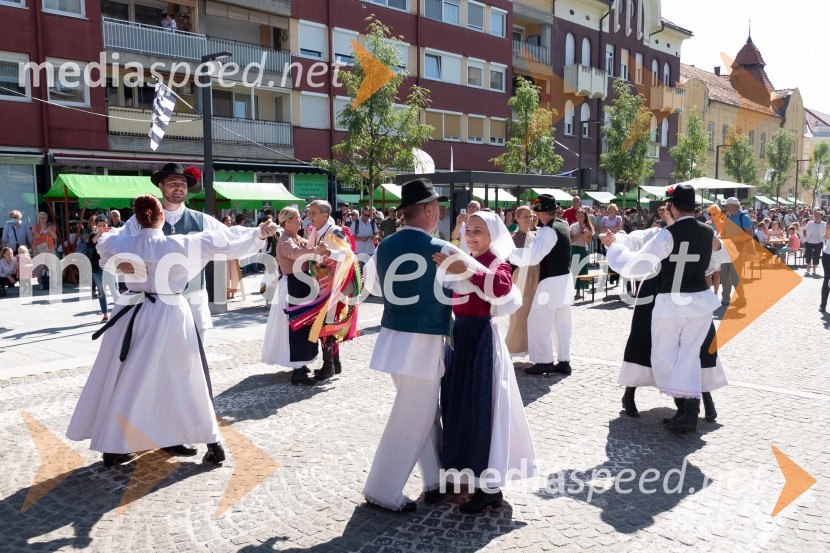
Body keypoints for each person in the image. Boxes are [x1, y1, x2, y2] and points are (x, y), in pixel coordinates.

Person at [66, 195, 277, 467]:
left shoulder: (120, 241)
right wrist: (259, 232)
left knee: (126, 375)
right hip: (169, 310)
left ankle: (115, 445)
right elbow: (226, 242)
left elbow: (103, 244)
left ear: (137, 219)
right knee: (183, 376)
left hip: (132, 309)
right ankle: (211, 442)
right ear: (161, 217)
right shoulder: (183, 243)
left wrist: (112, 249)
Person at [362, 177, 467, 513]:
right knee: (412, 418)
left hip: (393, 339)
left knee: (422, 413)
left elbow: (373, 288)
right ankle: (383, 489)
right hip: (423, 343)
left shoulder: (383, 246)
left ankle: (436, 479)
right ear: (427, 210)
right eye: (437, 207)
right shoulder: (442, 250)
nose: (440, 212)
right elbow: (470, 284)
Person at [434, 211, 536, 514]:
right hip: (461, 338)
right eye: (468, 230)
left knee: (482, 409)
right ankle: (464, 474)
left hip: (480, 340)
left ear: (492, 234)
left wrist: (464, 269)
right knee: (458, 405)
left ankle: (489, 487)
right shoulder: (463, 256)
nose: (471, 236)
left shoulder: (497, 261)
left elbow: (501, 287)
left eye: (478, 231)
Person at [600, 184, 722, 434]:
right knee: (689, 355)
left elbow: (636, 266)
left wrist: (613, 246)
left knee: (663, 356)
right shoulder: (707, 232)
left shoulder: (667, 235)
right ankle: (690, 410)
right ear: (694, 208)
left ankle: (686, 407)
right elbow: (711, 264)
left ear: (673, 208)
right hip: (700, 302)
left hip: (671, 304)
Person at [121, 163, 237, 341]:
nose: (179, 188)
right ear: (161, 186)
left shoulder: (202, 220)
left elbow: (231, 238)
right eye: (173, 183)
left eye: (183, 184)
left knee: (194, 356)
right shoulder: (140, 221)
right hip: (158, 303)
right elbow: (121, 247)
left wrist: (259, 234)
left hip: (193, 298)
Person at [509, 194, 574, 376]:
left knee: (538, 320)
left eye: (538, 213)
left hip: (550, 281)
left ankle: (543, 360)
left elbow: (534, 257)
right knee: (562, 323)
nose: (536, 217)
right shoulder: (562, 225)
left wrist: (510, 254)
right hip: (564, 279)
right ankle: (564, 360)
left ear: (544, 213)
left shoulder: (547, 231)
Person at [262, 207, 327, 385]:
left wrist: (319, 247)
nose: (301, 220)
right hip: (293, 285)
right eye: (298, 218)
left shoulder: (296, 238)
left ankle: (302, 363)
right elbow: (295, 254)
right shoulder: (284, 241)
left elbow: (307, 247)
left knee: (305, 325)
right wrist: (316, 250)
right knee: (297, 326)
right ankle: (298, 371)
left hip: (302, 284)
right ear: (288, 221)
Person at [304, 200, 345, 381]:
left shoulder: (335, 231)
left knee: (326, 325)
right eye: (309, 212)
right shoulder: (315, 231)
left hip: (333, 286)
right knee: (325, 325)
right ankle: (334, 363)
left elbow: (347, 254)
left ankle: (329, 365)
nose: (309, 216)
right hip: (319, 285)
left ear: (325, 215)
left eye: (313, 213)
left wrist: (329, 253)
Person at [505, 206, 538, 356]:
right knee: (518, 315)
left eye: (530, 216)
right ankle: (513, 348)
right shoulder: (512, 238)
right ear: (516, 218)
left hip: (535, 277)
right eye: (524, 216)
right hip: (519, 278)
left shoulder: (537, 237)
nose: (528, 219)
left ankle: (533, 349)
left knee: (534, 315)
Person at [720, 197, 752, 306]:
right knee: (724, 275)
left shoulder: (744, 217)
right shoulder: (728, 217)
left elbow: (749, 234)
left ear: (732, 206)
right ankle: (726, 298)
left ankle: (741, 298)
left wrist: (735, 239)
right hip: (726, 250)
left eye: (726, 206)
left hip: (738, 250)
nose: (725, 208)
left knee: (735, 276)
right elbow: (723, 232)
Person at [89, 215, 120, 322]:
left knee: (113, 289)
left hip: (109, 264)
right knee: (101, 291)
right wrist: (99, 232)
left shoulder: (112, 234)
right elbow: (92, 242)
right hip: (96, 266)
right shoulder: (94, 234)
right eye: (99, 225)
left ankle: (120, 312)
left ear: (107, 224)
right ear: (96, 226)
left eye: (104, 225)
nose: (102, 227)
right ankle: (105, 314)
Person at [569, 208, 594, 298]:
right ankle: (573, 289)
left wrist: (586, 236)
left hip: (583, 249)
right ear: (576, 216)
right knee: (574, 268)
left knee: (581, 269)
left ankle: (579, 289)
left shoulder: (588, 227)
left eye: (581, 216)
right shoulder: (573, 226)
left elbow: (588, 242)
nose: (580, 217)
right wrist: (578, 234)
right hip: (574, 248)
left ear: (585, 217)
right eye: (578, 215)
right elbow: (570, 240)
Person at [31, 212, 57, 290]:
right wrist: (41, 231)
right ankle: (41, 283)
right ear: (38, 219)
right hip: (38, 248)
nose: (43, 219)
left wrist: (50, 231)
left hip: (50, 248)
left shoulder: (50, 226)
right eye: (42, 218)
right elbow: (35, 236)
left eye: (45, 218)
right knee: (40, 266)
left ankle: (53, 283)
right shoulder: (35, 226)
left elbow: (55, 237)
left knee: (52, 266)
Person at [803, 210, 827, 275]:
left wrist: (824, 237)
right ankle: (808, 268)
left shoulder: (824, 224)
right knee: (808, 255)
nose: (816, 217)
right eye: (815, 215)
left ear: (821, 217)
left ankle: (814, 269)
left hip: (819, 242)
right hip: (809, 241)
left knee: (816, 256)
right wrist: (805, 237)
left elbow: (827, 232)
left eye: (818, 216)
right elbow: (805, 230)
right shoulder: (810, 223)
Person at [821, 222, 830, 312]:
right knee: (827, 279)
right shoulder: (828, 225)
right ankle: (823, 304)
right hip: (828, 255)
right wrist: (828, 228)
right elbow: (827, 237)